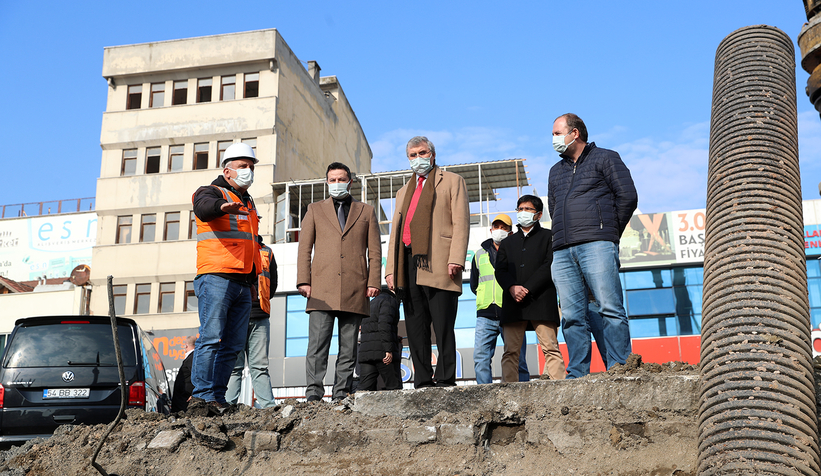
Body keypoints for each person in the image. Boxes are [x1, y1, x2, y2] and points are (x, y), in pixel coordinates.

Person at [548, 113, 638, 378]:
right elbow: (554, 209)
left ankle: (620, 367)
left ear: (574, 133)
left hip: (597, 245)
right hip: (563, 250)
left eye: (556, 133)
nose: (553, 139)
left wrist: (607, 232)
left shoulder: (606, 158)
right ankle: (577, 374)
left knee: (609, 308)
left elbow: (628, 196)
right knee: (573, 316)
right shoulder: (556, 171)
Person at [385, 136, 470, 388]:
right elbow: (395, 233)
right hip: (409, 262)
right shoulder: (403, 191)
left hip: (441, 260)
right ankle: (422, 379)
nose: (418, 158)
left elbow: (461, 223)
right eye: (413, 154)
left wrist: (456, 258)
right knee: (415, 324)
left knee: (443, 323)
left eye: (422, 153)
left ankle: (445, 377)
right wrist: (391, 270)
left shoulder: (453, 181)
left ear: (432, 154)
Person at [297, 162, 382, 402]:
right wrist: (304, 280)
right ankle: (314, 393)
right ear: (327, 183)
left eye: (341, 179)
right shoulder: (314, 210)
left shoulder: (366, 211)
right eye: (332, 180)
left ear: (350, 181)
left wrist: (373, 280)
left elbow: (374, 252)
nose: (337, 184)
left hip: (356, 288)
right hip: (320, 288)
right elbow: (304, 249)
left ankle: (341, 392)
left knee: (348, 347)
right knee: (317, 345)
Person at [191, 142, 261, 411]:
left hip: (243, 282)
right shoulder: (211, 191)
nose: (248, 171)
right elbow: (204, 207)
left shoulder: (247, 201)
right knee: (211, 338)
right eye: (243, 167)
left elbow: (251, 244)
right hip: (216, 277)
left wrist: (254, 281)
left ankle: (217, 398)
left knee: (232, 345)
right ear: (227, 170)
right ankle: (201, 396)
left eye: (251, 167)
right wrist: (222, 207)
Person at [495, 195, 565, 382]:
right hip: (513, 303)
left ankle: (560, 387)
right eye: (520, 209)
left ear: (539, 214)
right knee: (510, 352)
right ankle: (509, 393)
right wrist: (511, 287)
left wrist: (526, 288)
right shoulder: (508, 242)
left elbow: (549, 265)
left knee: (550, 348)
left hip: (541, 300)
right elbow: (500, 270)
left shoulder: (549, 237)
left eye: (527, 209)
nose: (522, 213)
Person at [470, 213, 530, 384]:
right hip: (485, 315)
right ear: (491, 229)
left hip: (511, 313)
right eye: (497, 227)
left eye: (504, 228)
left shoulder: (518, 254)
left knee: (518, 359)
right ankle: (485, 396)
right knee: (480, 359)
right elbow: (475, 285)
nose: (499, 231)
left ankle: (523, 395)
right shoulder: (479, 254)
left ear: (511, 233)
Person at [226, 236, 277, 408]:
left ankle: (267, 407)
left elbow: (272, 284)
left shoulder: (266, 252)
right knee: (237, 367)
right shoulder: (234, 245)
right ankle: (227, 405)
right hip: (238, 316)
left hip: (257, 315)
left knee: (253, 367)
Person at [357, 288, 403, 391]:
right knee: (394, 388)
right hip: (383, 353)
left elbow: (370, 328)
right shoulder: (389, 301)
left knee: (364, 390)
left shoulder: (371, 303)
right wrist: (388, 349)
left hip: (366, 353)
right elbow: (384, 325)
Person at [171, 335, 196, 413]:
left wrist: (195, 393)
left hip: (185, 399)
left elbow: (196, 375)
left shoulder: (192, 357)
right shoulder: (193, 357)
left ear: (186, 345)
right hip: (183, 398)